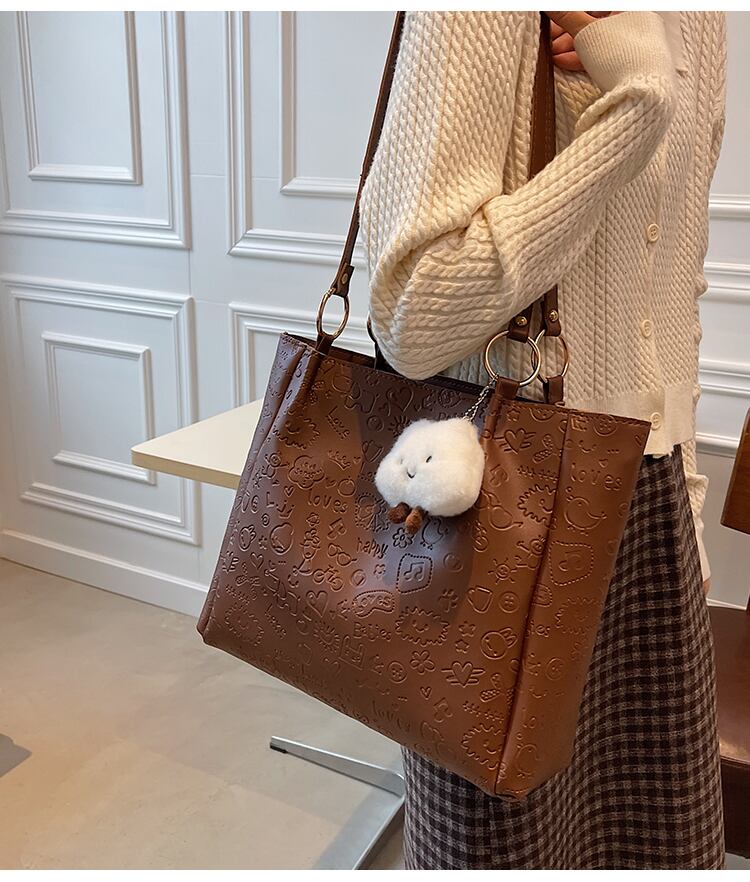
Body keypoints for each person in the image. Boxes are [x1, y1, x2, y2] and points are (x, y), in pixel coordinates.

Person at [360, 10, 726, 870]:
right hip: (502, 512)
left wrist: (686, 505)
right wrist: (637, 105)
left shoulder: (706, 21)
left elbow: (677, 284)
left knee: (656, 846)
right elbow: (411, 318)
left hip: (650, 514)